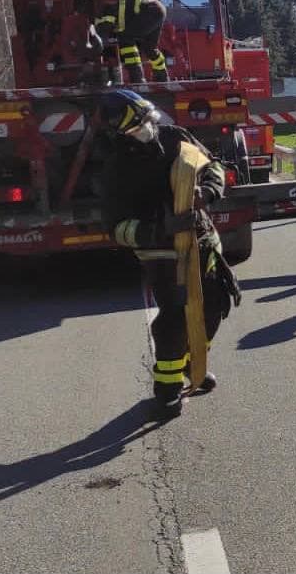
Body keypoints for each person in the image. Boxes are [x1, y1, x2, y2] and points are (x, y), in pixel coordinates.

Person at [99, 89, 242, 420]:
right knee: (175, 317)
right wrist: (157, 230)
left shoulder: (175, 136)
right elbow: (116, 228)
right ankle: (167, 390)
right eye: (137, 128)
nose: (147, 130)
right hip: (161, 253)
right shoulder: (117, 167)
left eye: (148, 121)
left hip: (203, 241)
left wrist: (208, 191)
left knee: (214, 306)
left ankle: (194, 364)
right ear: (120, 133)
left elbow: (211, 166)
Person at [92, 0, 170, 83]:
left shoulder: (107, 7)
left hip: (149, 10)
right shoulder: (110, 1)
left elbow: (104, 32)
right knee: (150, 48)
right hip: (158, 9)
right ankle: (162, 77)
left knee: (125, 38)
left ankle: (137, 77)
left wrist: (92, 52)